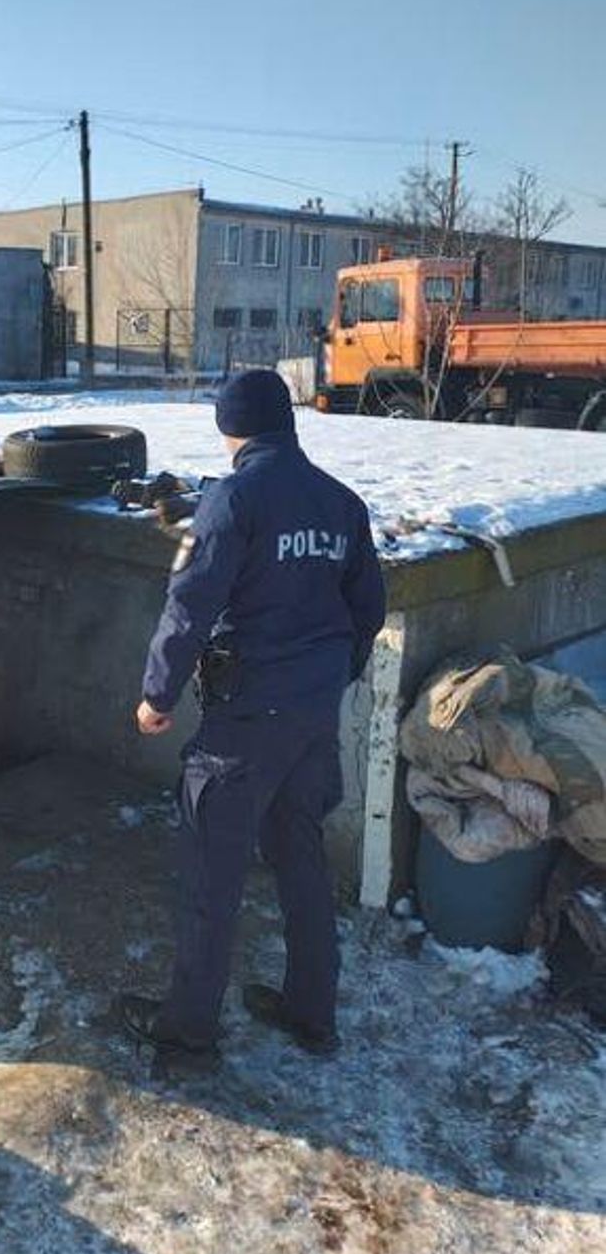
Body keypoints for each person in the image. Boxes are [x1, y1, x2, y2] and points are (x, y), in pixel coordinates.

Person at [120, 368, 385, 1071]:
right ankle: (310, 1009)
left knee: (213, 870)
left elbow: (190, 606)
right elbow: (368, 611)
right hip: (311, 713)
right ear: (288, 423)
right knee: (300, 854)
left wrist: (158, 696)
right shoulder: (341, 502)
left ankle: (186, 1030)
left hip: (245, 718)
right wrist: (329, 678)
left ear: (228, 427)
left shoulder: (232, 500)